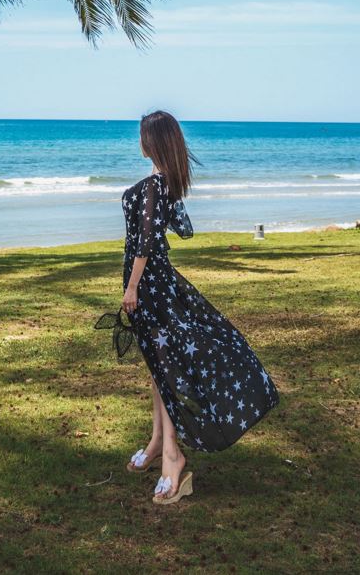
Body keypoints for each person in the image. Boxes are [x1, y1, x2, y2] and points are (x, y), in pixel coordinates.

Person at [119, 110, 279, 506]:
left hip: (150, 288)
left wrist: (133, 286)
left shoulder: (154, 187)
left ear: (150, 143)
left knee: (167, 367)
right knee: (157, 366)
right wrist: (171, 196)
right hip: (157, 285)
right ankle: (157, 440)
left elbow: (147, 243)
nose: (139, 142)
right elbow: (185, 230)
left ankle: (173, 455)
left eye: (143, 136)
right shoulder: (162, 187)